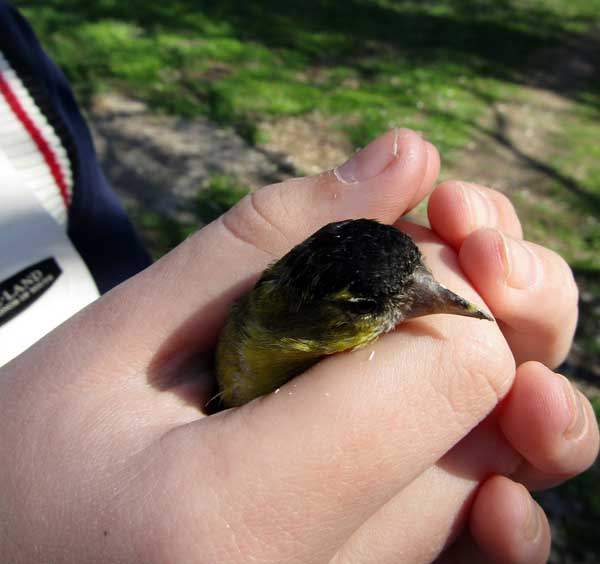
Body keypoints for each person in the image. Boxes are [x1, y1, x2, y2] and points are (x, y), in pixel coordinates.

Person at [0, 2, 597, 562]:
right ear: (306, 318)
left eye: (416, 267)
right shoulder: (241, 370)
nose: (431, 294)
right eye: (370, 303)